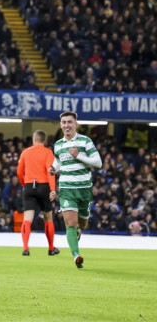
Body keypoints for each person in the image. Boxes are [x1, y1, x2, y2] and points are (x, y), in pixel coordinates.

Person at [49, 111, 101, 269]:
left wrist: (79, 156)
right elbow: (58, 161)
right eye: (64, 122)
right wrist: (53, 168)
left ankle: (79, 231)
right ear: (61, 125)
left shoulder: (85, 141)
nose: (66, 125)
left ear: (76, 124)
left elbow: (97, 162)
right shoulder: (58, 144)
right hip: (66, 188)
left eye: (69, 122)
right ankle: (76, 255)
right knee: (70, 223)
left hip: (84, 188)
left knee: (82, 224)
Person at [16, 130, 59, 256]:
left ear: (34, 139)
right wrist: (52, 189)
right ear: (45, 141)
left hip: (29, 186)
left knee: (27, 218)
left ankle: (25, 248)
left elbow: (19, 172)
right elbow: (50, 172)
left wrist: (25, 185)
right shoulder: (48, 153)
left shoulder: (25, 152)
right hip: (44, 186)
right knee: (48, 218)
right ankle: (51, 248)